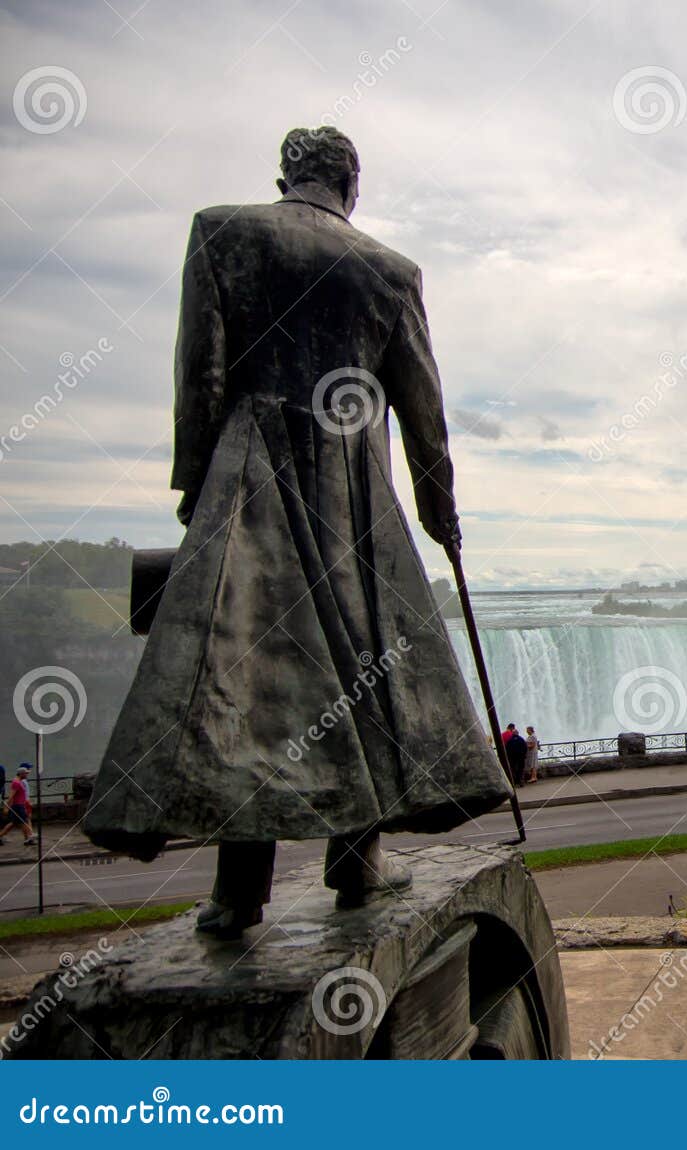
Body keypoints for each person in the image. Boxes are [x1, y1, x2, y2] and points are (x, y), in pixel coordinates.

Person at [81, 128, 511, 939]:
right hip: (354, 486)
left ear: (285, 175)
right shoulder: (390, 271)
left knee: (251, 678)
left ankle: (238, 894)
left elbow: (200, 377)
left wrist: (197, 491)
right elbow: (427, 415)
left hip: (253, 473)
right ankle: (358, 864)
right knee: (363, 662)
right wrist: (438, 510)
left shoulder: (224, 232)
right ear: (353, 186)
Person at [0, 766, 35, 846]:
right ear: (21, 774)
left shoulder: (19, 781)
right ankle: (29, 837)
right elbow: (11, 796)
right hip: (18, 806)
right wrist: (6, 807)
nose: (27, 775)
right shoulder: (16, 783)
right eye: (26, 773)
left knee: (14, 823)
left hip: (19, 805)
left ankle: (27, 838)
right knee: (24, 821)